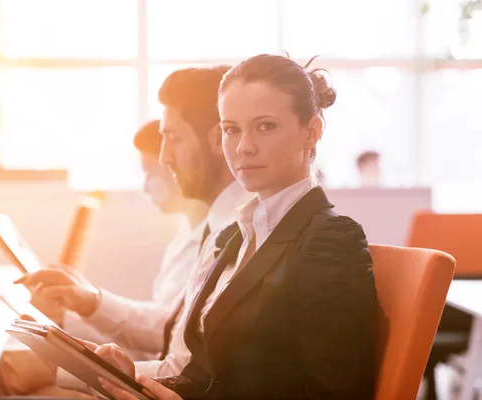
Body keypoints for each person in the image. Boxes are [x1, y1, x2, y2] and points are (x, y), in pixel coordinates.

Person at [99, 54, 379, 399]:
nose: (244, 147)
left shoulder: (331, 240)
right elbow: (203, 374)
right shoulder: (235, 236)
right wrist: (129, 379)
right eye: (232, 129)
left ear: (312, 131)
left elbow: (339, 394)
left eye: (265, 126)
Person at [9, 66, 252, 394]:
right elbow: (171, 331)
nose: (165, 158)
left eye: (173, 138)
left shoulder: (241, 231)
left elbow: (181, 366)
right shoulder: (217, 228)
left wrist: (63, 366)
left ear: (215, 139)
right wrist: (87, 304)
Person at [0, 119, 209, 399]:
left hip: (136, 375)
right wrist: (80, 306)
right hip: (129, 366)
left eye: (151, 173)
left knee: (6, 371)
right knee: (7, 365)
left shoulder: (214, 241)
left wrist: (76, 320)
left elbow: (160, 338)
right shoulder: (186, 233)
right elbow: (161, 325)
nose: (145, 188)